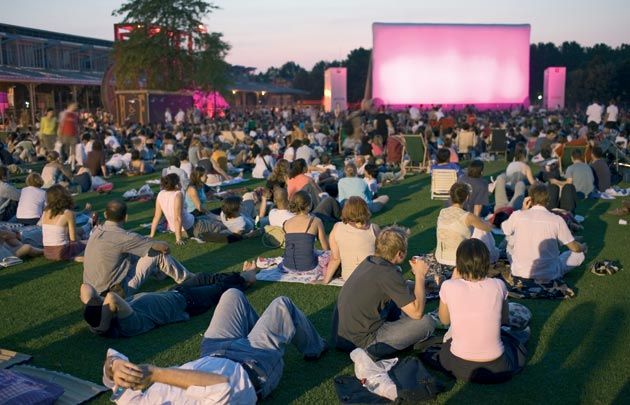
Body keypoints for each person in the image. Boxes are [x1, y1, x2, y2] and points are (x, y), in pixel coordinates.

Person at [101, 288, 327, 402]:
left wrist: (116, 365)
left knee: (232, 295)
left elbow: (110, 363)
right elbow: (220, 385)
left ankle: (260, 332)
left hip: (213, 351)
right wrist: (155, 373)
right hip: (253, 365)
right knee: (282, 305)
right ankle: (315, 348)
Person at [335, 226, 435, 358]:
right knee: (427, 322)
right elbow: (417, 313)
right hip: (364, 342)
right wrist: (420, 276)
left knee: (400, 303)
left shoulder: (370, 261)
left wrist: (419, 285)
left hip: (342, 337)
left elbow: (394, 286)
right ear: (400, 254)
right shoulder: (388, 273)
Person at [80, 262, 256, 337]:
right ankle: (247, 277)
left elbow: (85, 287)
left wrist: (98, 321)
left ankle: (240, 275)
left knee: (203, 276)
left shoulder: (111, 315)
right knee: (220, 288)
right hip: (188, 304)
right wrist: (103, 325)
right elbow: (111, 296)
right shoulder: (127, 323)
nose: (104, 300)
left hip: (176, 293)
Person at [437, 239, 527, 383]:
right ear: (486, 262)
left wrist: (453, 280)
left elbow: (444, 320)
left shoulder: (449, 286)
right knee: (513, 344)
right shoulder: (499, 285)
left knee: (446, 346)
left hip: (458, 366)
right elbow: (504, 320)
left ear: (459, 263)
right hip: (498, 367)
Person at [83, 200, 194, 297]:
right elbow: (164, 248)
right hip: (114, 294)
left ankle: (161, 273)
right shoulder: (125, 237)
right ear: (126, 217)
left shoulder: (96, 231)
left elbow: (130, 242)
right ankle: (188, 279)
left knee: (136, 251)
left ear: (105, 214)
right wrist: (160, 245)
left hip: (89, 292)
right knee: (157, 253)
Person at [501, 184, 587, 282]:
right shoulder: (557, 220)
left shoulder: (518, 215)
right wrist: (582, 248)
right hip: (549, 273)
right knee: (579, 254)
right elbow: (575, 248)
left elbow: (505, 230)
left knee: (510, 239)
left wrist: (522, 210)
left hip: (519, 272)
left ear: (529, 198)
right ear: (548, 200)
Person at [151, 174, 231, 245]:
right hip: (192, 227)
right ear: (176, 185)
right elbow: (177, 218)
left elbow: (156, 217)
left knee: (209, 218)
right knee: (220, 226)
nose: (181, 184)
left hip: (181, 227)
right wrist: (178, 239)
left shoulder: (161, 194)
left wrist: (151, 235)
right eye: (179, 182)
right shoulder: (177, 194)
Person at [322, 197, 379, 284]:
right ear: (365, 209)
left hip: (349, 277)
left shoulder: (337, 227)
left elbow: (335, 259)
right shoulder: (374, 228)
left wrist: (325, 280)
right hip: (373, 276)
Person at [435, 183, 494, 266]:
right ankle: (491, 258)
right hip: (459, 260)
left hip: (440, 257)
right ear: (466, 198)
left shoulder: (442, 212)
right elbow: (488, 228)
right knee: (482, 230)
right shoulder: (468, 216)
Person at [281, 191, 329, 273]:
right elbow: (326, 248)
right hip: (309, 266)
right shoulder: (316, 221)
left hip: (287, 265)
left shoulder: (286, 223)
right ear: (308, 206)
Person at [41, 185, 86, 261]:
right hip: (62, 251)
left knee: (81, 239)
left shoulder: (45, 212)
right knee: (90, 243)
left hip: (48, 252)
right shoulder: (68, 213)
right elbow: (73, 239)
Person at [493, 146, 536, 211]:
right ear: (524, 157)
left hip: (507, 188)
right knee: (523, 185)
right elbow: (532, 183)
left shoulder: (511, 164)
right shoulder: (526, 167)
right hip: (517, 190)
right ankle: (513, 208)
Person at [58, 102, 80, 170]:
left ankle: (72, 166)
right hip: (65, 135)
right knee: (65, 150)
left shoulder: (75, 115)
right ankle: (65, 164)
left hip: (73, 135)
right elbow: (60, 125)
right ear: (70, 106)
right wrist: (59, 135)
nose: (75, 107)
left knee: (73, 152)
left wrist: (77, 135)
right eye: (74, 106)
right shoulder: (63, 114)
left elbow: (77, 125)